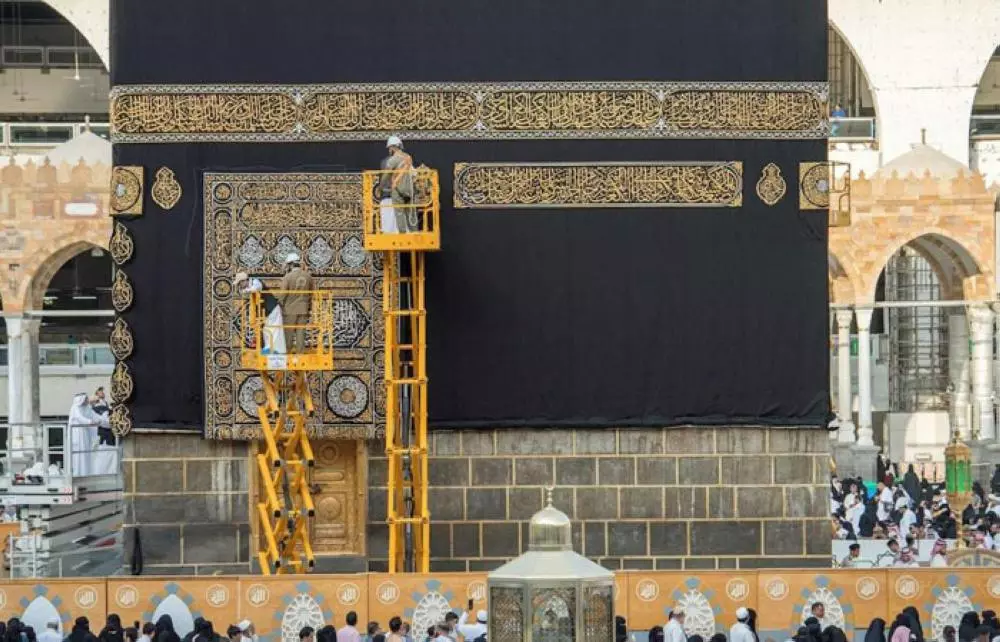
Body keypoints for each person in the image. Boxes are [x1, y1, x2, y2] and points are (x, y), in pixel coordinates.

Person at [379, 136, 416, 234]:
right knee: (410, 212)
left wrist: (381, 186)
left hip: (398, 190)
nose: (389, 150)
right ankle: (413, 232)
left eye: (389, 148)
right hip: (409, 190)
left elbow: (386, 175)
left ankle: (403, 234)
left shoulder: (393, 159)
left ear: (392, 147)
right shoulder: (408, 157)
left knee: (399, 213)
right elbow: (413, 173)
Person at [69, 392, 110, 477]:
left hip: (85, 435)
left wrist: (105, 421)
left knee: (85, 454)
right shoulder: (75, 408)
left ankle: (85, 474)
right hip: (77, 435)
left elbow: (95, 416)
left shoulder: (87, 408)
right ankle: (77, 475)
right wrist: (90, 422)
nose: (87, 400)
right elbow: (80, 418)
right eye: (85, 398)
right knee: (78, 456)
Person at [279, 254, 314, 354]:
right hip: (304, 309)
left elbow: (283, 294)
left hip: (289, 310)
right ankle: (300, 355)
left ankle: (287, 353)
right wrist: (309, 307)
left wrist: (279, 305)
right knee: (301, 333)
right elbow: (311, 293)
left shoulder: (287, 277)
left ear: (290, 265)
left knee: (288, 333)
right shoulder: (308, 276)